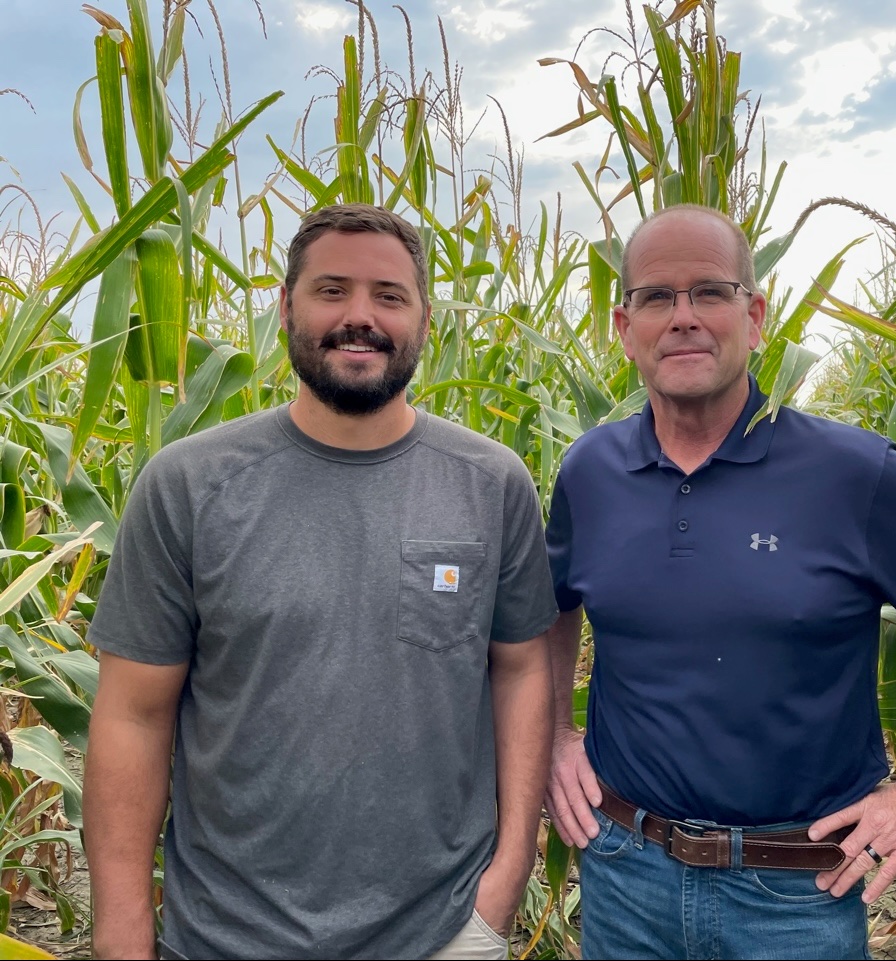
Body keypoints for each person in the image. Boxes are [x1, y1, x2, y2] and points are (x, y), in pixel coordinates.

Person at [84, 204, 559, 960]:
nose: (360, 316)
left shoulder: (489, 483)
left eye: (389, 296)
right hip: (224, 936)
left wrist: (502, 886)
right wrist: (122, 933)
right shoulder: (189, 484)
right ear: (285, 306)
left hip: (442, 933)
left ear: (424, 318)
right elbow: (132, 717)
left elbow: (524, 671)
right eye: (331, 290)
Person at [543, 204, 896, 960]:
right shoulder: (589, 473)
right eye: (656, 297)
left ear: (754, 315)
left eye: (710, 292)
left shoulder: (852, 474)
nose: (683, 317)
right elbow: (552, 604)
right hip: (625, 872)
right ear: (622, 325)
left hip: (796, 894)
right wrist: (555, 732)